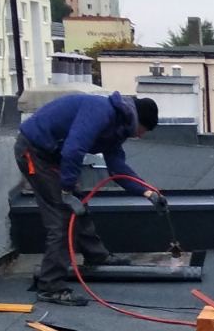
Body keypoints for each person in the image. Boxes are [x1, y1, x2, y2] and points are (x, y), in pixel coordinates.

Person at [15, 92, 166, 305]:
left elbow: (118, 168)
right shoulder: (101, 111)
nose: (140, 136)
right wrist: (67, 190)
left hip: (53, 155)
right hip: (34, 151)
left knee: (79, 206)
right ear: (137, 120)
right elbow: (74, 149)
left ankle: (96, 256)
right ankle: (50, 286)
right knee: (63, 217)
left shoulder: (118, 125)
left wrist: (148, 192)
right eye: (143, 131)